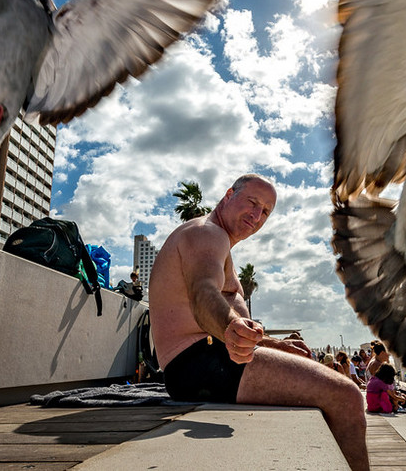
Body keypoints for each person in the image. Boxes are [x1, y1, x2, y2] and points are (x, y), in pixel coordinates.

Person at [149, 174, 369, 470]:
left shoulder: (218, 241)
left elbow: (212, 314)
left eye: (265, 211)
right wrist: (230, 329)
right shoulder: (207, 233)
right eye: (252, 202)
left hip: (207, 361)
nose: (257, 215)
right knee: (347, 397)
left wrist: (273, 343)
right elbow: (203, 293)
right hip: (200, 364)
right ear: (228, 195)